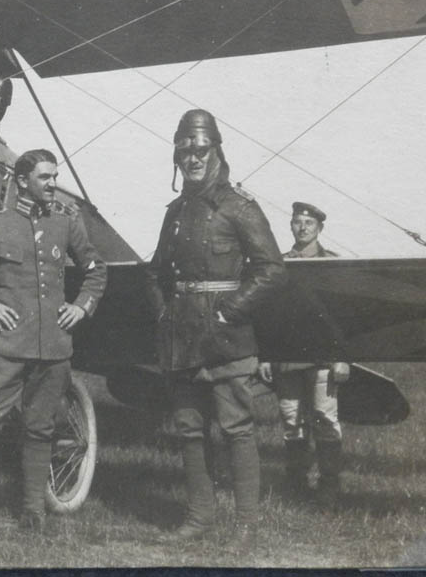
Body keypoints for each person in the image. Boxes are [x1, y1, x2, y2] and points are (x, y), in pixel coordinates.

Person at [0, 149, 106, 533]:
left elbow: (96, 270)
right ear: (22, 181)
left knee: (41, 429)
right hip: (6, 346)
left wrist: (82, 306)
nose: (52, 184)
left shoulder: (65, 225)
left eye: (54, 176)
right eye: (45, 177)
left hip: (53, 349)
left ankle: (33, 513)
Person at [146, 109, 286, 543]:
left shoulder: (239, 207)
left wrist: (230, 311)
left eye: (200, 149)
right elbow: (155, 273)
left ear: (216, 151)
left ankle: (246, 525)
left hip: (227, 337)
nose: (192, 158)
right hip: (182, 337)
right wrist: (164, 312)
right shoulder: (174, 211)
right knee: (190, 429)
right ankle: (199, 519)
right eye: (184, 150)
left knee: (236, 429)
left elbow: (272, 269)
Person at [258, 202, 349, 504]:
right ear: (291, 226)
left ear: (320, 228)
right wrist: (265, 357)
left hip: (323, 359)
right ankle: (296, 485)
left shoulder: (332, 264)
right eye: (298, 222)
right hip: (286, 359)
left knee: (325, 420)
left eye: (309, 223)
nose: (303, 227)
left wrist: (343, 359)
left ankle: (329, 487)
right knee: (291, 423)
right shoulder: (279, 264)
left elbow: (344, 317)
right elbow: (268, 316)